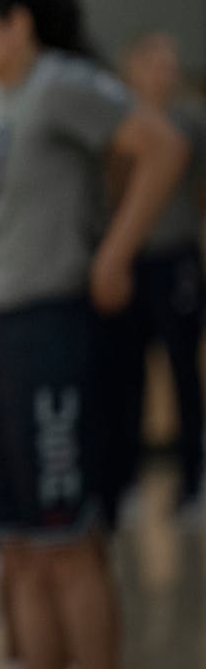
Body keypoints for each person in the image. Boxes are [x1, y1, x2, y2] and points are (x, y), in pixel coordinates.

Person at [0, 0, 188, 669]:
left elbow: (164, 147)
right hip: (1, 330)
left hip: (57, 328)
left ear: (18, 24)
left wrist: (114, 254)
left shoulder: (61, 87)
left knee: (70, 543)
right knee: (18, 545)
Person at [108, 30, 206, 515]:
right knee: (128, 369)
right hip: (130, 258)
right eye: (152, 63)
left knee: (184, 365)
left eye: (170, 64)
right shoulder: (115, 116)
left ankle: (193, 476)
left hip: (175, 256)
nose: (162, 73)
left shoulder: (190, 119)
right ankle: (127, 477)